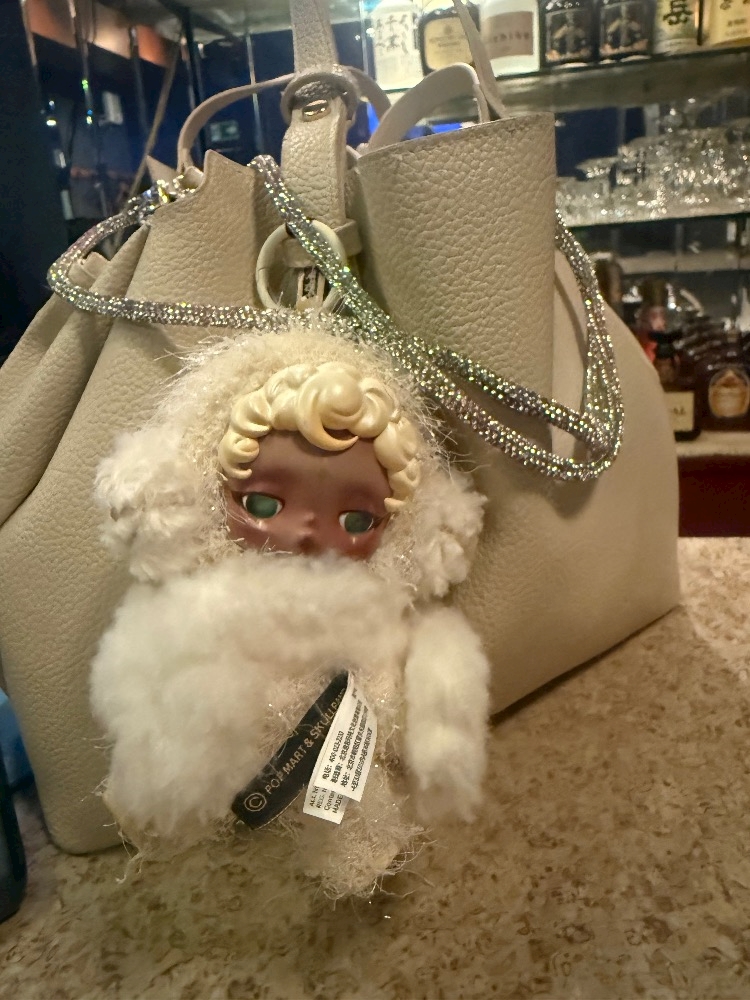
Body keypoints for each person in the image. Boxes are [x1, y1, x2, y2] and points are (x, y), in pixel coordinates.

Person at [90, 317, 490, 898]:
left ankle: (359, 848)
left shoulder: (373, 616)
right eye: (262, 503)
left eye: (357, 519)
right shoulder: (200, 609)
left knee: (354, 794)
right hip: (222, 778)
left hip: (348, 756)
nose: (306, 533)